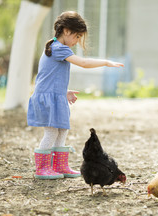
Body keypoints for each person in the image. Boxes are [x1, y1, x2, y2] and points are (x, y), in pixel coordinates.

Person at [27, 11, 124, 180]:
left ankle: (59, 165)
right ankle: (42, 168)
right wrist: (106, 62)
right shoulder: (58, 48)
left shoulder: (56, 48)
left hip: (55, 96)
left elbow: (49, 77)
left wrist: (64, 91)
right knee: (51, 132)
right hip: (48, 98)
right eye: (77, 36)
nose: (77, 41)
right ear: (66, 31)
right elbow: (84, 63)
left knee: (62, 129)